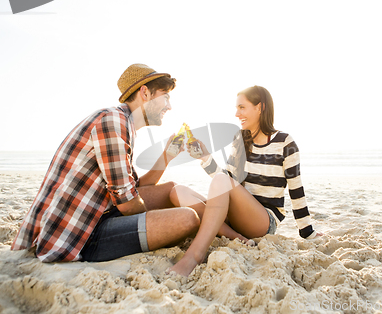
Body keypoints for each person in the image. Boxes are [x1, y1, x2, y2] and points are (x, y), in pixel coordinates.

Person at [11, 63, 209, 262]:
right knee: (186, 218)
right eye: (165, 96)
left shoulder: (123, 123)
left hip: (98, 214)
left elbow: (133, 189)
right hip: (79, 235)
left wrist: (167, 156)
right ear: (145, 93)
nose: (169, 106)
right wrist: (160, 215)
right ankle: (221, 220)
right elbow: (128, 205)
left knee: (172, 188)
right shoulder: (113, 121)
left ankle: (220, 218)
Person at [170, 85, 322, 276]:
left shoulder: (285, 142)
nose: (236, 113)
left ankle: (194, 256)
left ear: (260, 108)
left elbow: (296, 189)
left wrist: (307, 231)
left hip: (262, 220)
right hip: (236, 216)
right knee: (178, 191)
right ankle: (236, 236)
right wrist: (205, 157)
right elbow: (229, 181)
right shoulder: (240, 140)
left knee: (220, 181)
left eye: (242, 107)